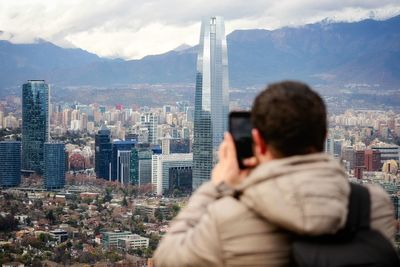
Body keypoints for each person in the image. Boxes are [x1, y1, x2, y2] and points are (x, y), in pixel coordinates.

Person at [154, 81, 395, 267]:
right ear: (324, 136)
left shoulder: (227, 217)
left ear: (257, 141)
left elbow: (166, 258)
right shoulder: (374, 205)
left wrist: (217, 185)